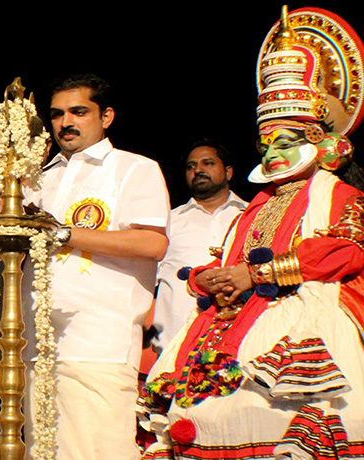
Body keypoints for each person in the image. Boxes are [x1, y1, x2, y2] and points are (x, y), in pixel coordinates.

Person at [140, 7, 364, 459]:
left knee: (279, 420)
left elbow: (345, 250)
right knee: (206, 421)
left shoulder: (338, 194)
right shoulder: (258, 204)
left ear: (320, 141)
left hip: (303, 326)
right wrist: (210, 277)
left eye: (285, 142)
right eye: (266, 144)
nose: (273, 153)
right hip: (232, 326)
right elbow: (231, 257)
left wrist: (256, 274)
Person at [20, 74, 170, 460]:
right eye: (57, 114)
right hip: (35, 343)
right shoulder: (38, 179)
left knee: (98, 450)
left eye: (78, 112)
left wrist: (65, 234)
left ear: (106, 117)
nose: (65, 122)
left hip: (99, 343)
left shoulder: (133, 169)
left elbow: (152, 244)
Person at [153, 140, 247, 350]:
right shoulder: (167, 222)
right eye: (191, 166)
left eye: (208, 163)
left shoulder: (252, 216)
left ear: (228, 172)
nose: (198, 170)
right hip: (175, 342)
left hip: (239, 341)